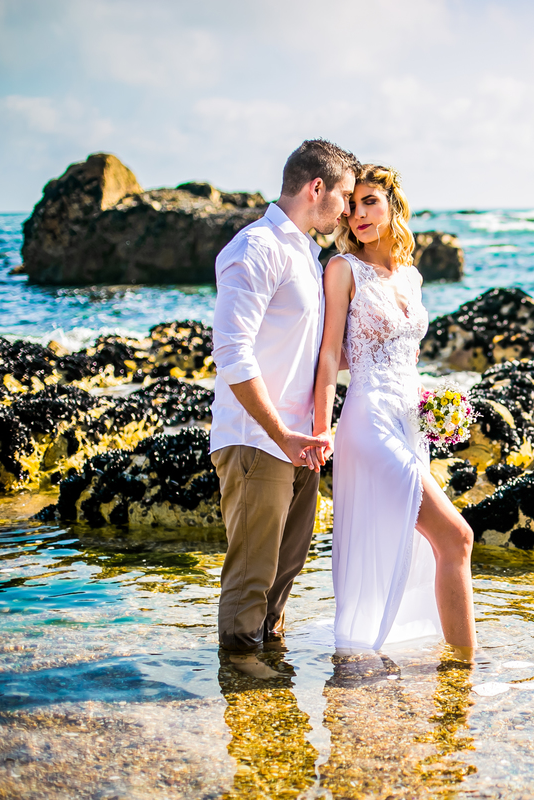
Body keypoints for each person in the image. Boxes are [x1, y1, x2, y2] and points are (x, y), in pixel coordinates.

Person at [312, 164, 476, 659]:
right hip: (369, 423)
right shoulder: (342, 270)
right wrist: (322, 429)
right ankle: (466, 669)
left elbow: (407, 357)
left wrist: (435, 406)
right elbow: (328, 355)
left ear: (393, 207)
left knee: (428, 545)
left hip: (409, 422)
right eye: (353, 204)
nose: (359, 214)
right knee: (457, 537)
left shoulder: (411, 275)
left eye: (371, 203)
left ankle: (427, 651)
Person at [210, 139, 358, 676]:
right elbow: (230, 350)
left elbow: (310, 355)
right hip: (256, 439)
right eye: (344, 196)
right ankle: (240, 669)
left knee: (285, 570)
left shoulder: (306, 254)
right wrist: (280, 434)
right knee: (252, 572)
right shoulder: (256, 248)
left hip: (300, 441)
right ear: (316, 188)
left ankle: (270, 673)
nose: (346, 210)